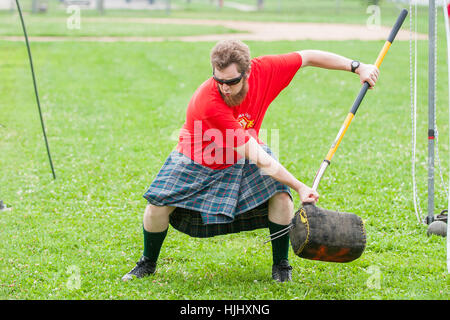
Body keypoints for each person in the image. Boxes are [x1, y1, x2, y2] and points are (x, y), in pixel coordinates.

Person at [122, 40, 379, 283]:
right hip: (198, 157)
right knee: (157, 205)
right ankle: (147, 262)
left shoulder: (265, 69)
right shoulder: (209, 103)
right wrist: (300, 185)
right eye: (218, 80)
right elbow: (259, 159)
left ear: (247, 73)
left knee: (280, 196)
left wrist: (357, 67)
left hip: (246, 149)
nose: (224, 88)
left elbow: (307, 57)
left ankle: (281, 265)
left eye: (231, 82)